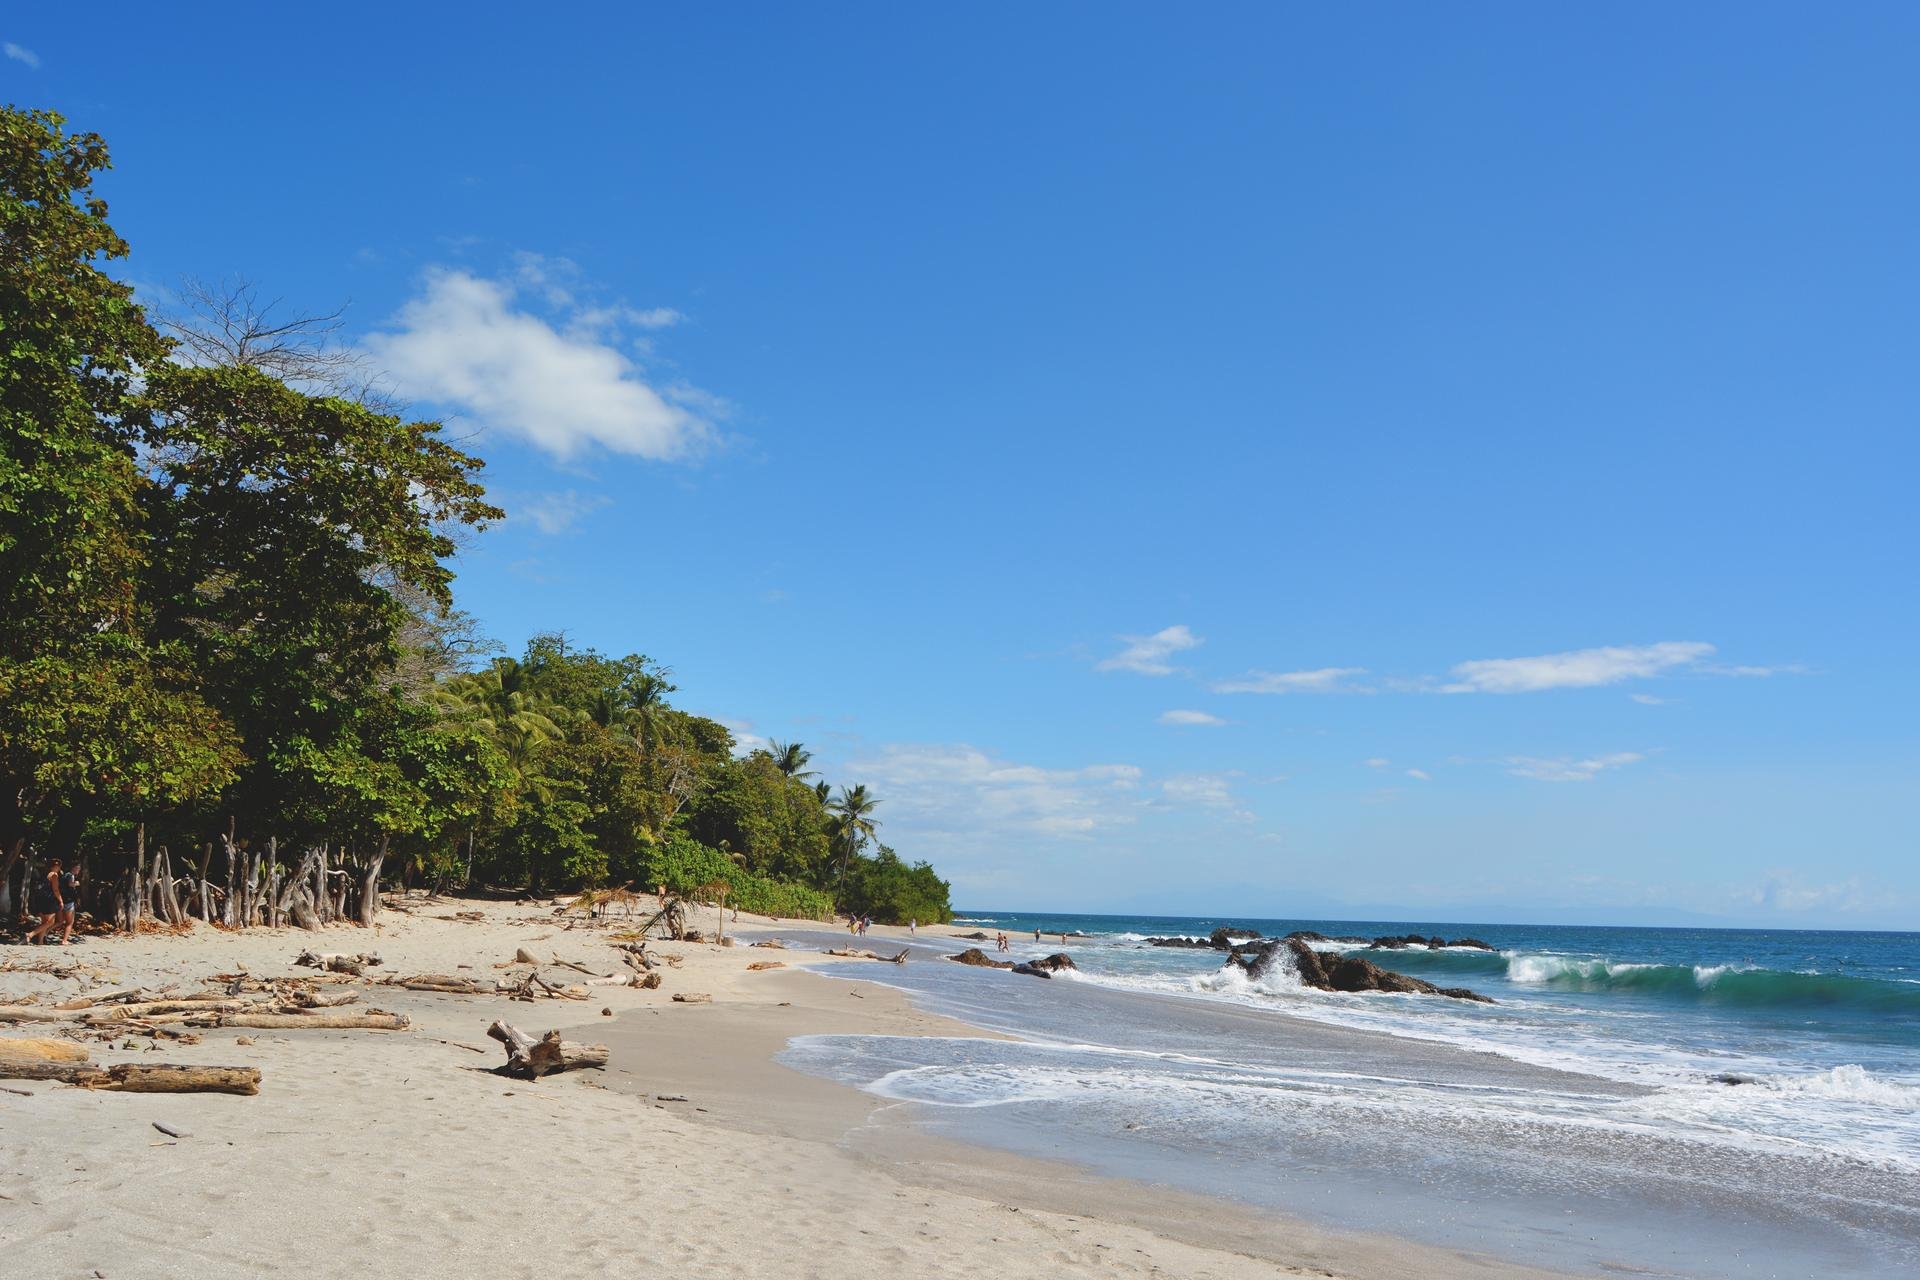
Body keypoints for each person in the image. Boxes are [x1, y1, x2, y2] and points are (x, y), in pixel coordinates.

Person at [25, 858, 63, 945]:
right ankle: (30, 934)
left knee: (44, 922)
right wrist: (61, 900)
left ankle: (40, 941)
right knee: (50, 922)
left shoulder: (44, 873)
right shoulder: (54, 875)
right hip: (49, 900)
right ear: (57, 867)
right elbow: (56, 890)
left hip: (40, 899)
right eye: (59, 866)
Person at [57, 861, 80, 945]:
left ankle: (45, 932)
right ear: (74, 868)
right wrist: (76, 884)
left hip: (62, 900)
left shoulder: (64, 875)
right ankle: (64, 940)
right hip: (68, 901)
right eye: (78, 868)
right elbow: (71, 884)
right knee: (70, 922)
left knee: (60, 921)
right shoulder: (71, 875)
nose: (79, 870)